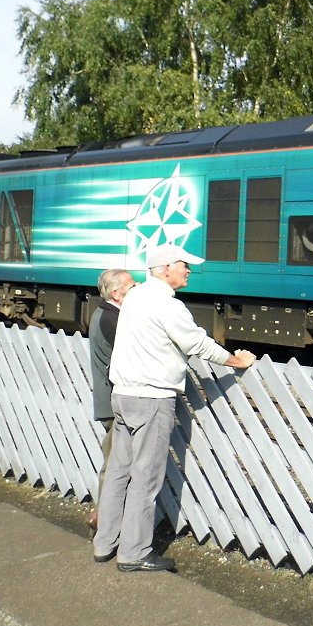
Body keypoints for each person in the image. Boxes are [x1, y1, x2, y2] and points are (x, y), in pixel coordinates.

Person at [92, 244, 255, 572]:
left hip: (123, 394)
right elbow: (196, 343)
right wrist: (236, 359)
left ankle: (104, 543)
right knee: (145, 477)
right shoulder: (167, 305)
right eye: (184, 265)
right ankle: (134, 552)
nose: (188, 271)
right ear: (165, 269)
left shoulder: (134, 297)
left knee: (119, 472)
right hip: (151, 397)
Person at [87, 267, 135, 532]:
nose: (136, 288)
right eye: (132, 285)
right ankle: (103, 522)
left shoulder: (104, 314)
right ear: (116, 293)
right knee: (116, 465)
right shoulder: (112, 320)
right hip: (115, 403)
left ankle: (104, 519)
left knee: (115, 462)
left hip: (109, 401)